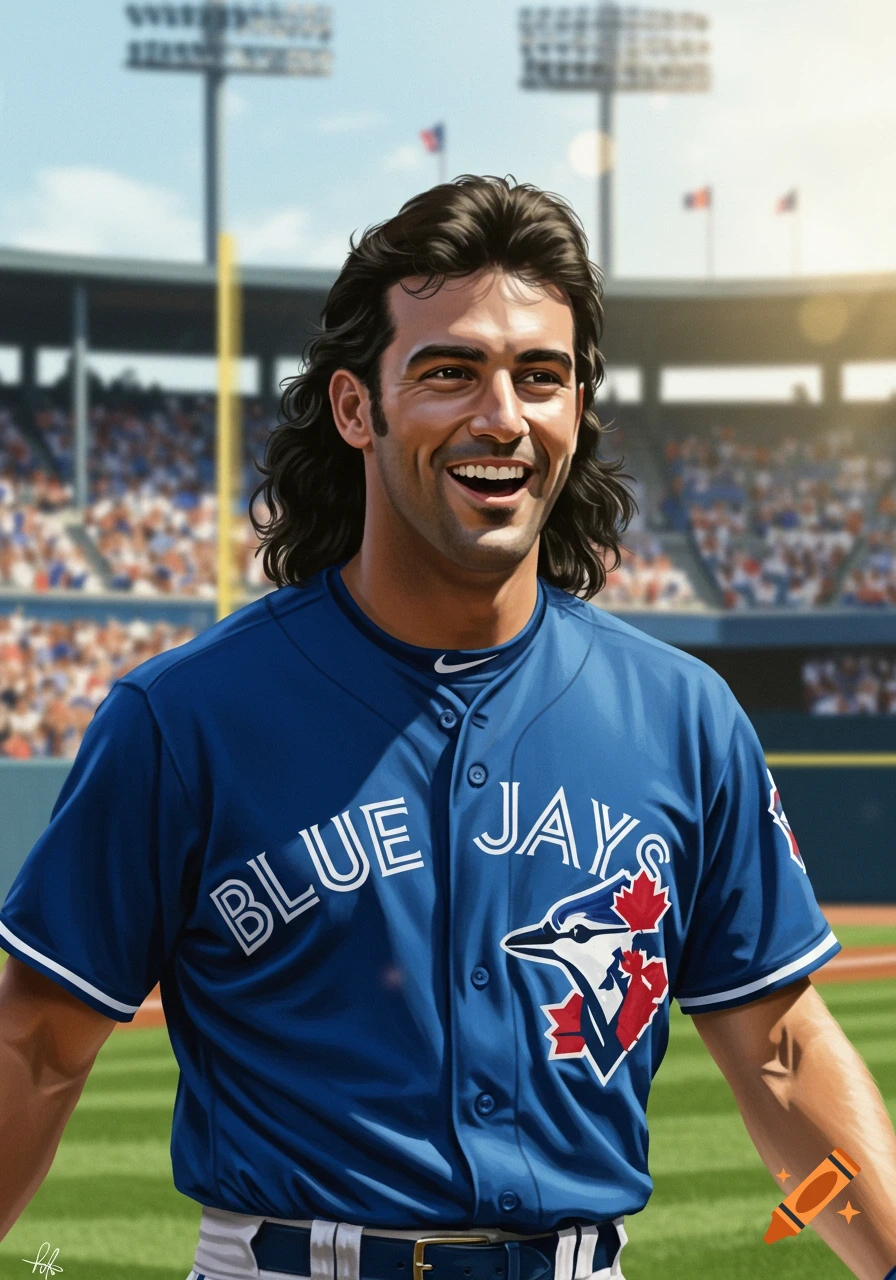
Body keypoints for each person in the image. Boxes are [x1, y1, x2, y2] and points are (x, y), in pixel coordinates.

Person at [1, 176, 895, 1280]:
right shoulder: (183, 716)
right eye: (448, 371)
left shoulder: (681, 713)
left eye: (539, 375)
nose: (501, 415)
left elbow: (777, 1044)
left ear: (576, 411)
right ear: (353, 409)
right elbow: (35, 1045)